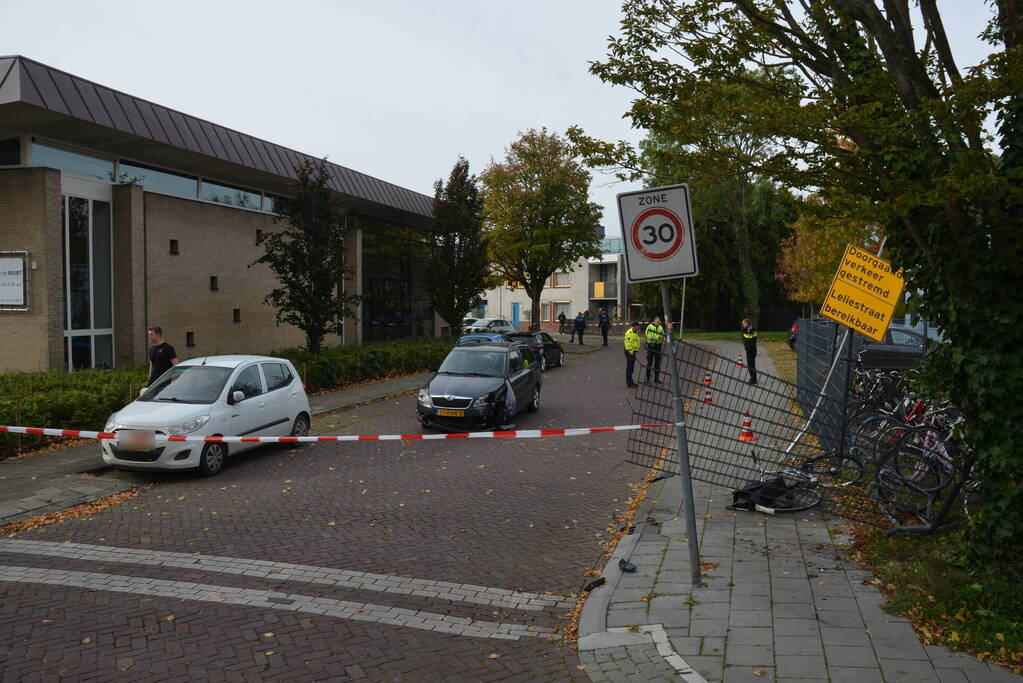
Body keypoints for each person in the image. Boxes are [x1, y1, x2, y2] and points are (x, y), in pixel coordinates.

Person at [645, 316, 665, 384]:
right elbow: (649, 336)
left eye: (659, 322)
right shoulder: (650, 327)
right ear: (654, 321)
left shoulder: (660, 327)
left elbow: (663, 334)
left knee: (657, 363)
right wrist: (659, 336)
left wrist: (662, 337)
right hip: (651, 346)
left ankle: (656, 379)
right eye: (657, 322)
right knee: (649, 362)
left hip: (658, 346)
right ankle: (647, 379)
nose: (658, 323)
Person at [624, 320, 641, 387]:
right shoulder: (629, 333)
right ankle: (629, 383)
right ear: (635, 326)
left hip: (632, 352)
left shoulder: (635, 332)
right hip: (629, 352)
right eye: (638, 326)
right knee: (629, 368)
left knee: (631, 368)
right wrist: (631, 353)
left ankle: (631, 381)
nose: (639, 327)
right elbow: (628, 345)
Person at [742, 318, 759, 385]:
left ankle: (753, 379)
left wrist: (747, 347)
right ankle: (753, 378)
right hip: (750, 349)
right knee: (751, 365)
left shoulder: (751, 330)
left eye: (744, 323)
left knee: (750, 365)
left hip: (751, 350)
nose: (743, 325)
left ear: (747, 323)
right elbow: (745, 339)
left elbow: (750, 340)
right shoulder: (746, 330)